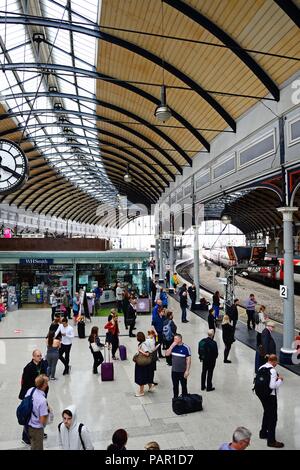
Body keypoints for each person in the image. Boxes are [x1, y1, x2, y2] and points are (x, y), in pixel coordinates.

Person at [19, 349, 48, 445]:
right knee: (30, 416)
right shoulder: (28, 368)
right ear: (33, 357)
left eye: (40, 355)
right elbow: (26, 383)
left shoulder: (41, 364)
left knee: (40, 413)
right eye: (38, 356)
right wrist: (34, 392)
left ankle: (39, 430)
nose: (40, 357)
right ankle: (26, 437)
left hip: (40, 393)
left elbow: (45, 374)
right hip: (31, 395)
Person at [256, 354, 284, 448]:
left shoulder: (261, 367)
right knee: (273, 418)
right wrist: (280, 380)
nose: (277, 364)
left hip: (261, 394)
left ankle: (263, 433)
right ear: (274, 361)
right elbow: (272, 386)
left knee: (267, 412)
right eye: (276, 362)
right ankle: (271, 441)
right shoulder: (272, 370)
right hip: (270, 396)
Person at [26, 374, 50, 450]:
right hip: (37, 429)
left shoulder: (30, 390)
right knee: (38, 447)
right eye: (47, 382)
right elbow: (42, 421)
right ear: (44, 385)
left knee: (33, 445)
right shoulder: (42, 401)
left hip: (27, 424)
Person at [165, 334, 191, 399]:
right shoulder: (173, 347)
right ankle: (175, 399)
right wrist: (171, 346)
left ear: (180, 339)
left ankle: (185, 399)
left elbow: (188, 360)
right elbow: (167, 354)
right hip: (174, 371)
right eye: (174, 339)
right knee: (175, 386)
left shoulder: (186, 348)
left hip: (182, 371)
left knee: (184, 386)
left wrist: (187, 371)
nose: (174, 340)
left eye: (176, 339)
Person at [134, 332, 157, 397]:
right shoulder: (145, 342)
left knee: (141, 376)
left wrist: (140, 351)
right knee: (148, 375)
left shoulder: (143, 344)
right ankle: (150, 387)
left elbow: (147, 353)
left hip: (142, 363)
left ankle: (141, 392)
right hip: (147, 363)